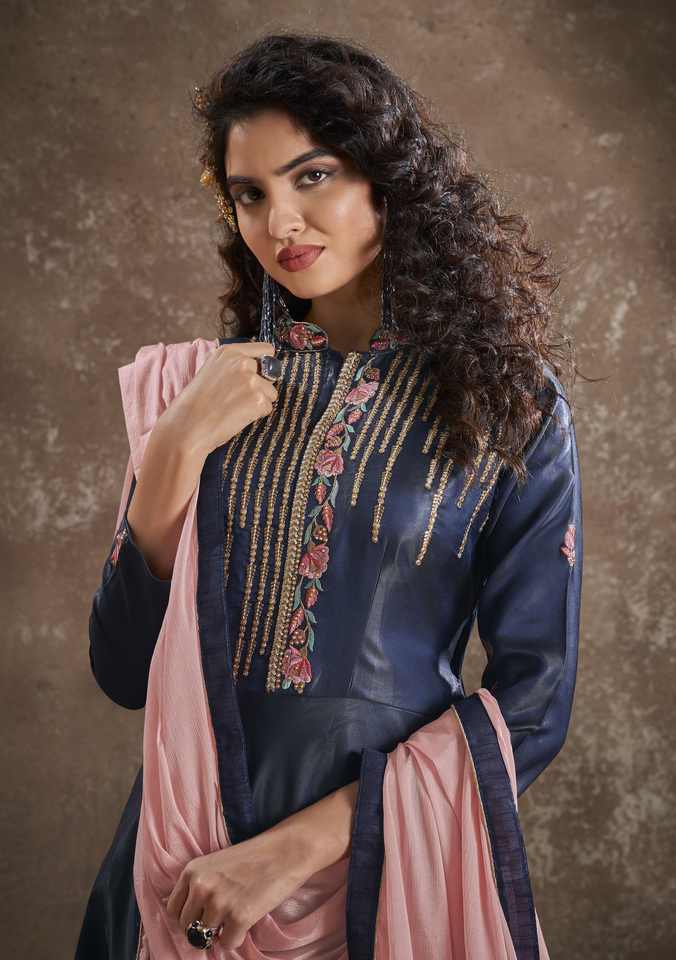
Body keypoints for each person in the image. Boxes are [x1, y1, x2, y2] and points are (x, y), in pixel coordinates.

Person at [75, 31, 583, 960]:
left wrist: (289, 852)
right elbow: (121, 670)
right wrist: (175, 447)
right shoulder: (196, 391)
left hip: (378, 880)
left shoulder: (504, 406)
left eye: (312, 177)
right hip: (179, 868)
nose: (281, 223)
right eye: (250, 194)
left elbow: (534, 703)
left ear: (388, 180)